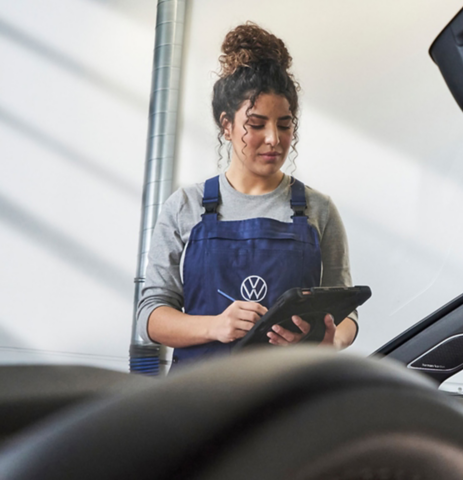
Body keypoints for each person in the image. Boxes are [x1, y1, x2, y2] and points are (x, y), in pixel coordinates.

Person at [136, 22, 358, 370]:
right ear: (227, 125)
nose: (273, 138)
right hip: (200, 399)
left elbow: (346, 315)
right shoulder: (186, 206)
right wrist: (216, 325)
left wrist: (328, 343)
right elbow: (150, 317)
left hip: (288, 397)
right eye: (256, 124)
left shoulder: (319, 209)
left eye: (284, 124)